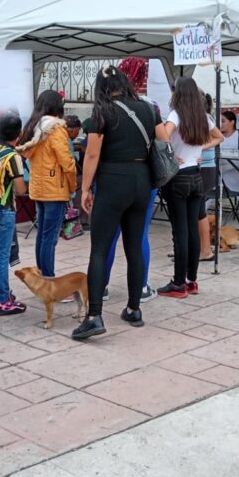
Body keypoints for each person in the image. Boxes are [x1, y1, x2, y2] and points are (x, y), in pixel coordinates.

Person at [74, 66, 167, 340]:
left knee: (100, 249)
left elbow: (91, 155)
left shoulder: (103, 112)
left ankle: (94, 316)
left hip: (113, 180)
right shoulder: (148, 109)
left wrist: (85, 188)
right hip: (142, 180)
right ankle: (134, 308)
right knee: (135, 246)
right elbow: (164, 139)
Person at [158, 78, 224, 298]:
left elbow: (162, 134)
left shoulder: (176, 114)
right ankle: (191, 280)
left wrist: (170, 152)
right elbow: (219, 137)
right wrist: (200, 148)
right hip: (196, 175)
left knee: (181, 232)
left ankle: (178, 283)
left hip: (178, 177)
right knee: (193, 229)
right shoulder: (203, 116)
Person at [17, 90, 77, 278]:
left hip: (38, 188)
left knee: (42, 235)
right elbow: (67, 162)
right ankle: (50, 281)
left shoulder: (35, 126)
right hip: (55, 189)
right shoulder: (56, 129)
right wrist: (72, 187)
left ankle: (42, 276)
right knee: (50, 239)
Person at [0, 113, 28, 316]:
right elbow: (20, 190)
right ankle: (3, 300)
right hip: (4, 209)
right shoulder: (13, 156)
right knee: (2, 254)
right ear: (18, 134)